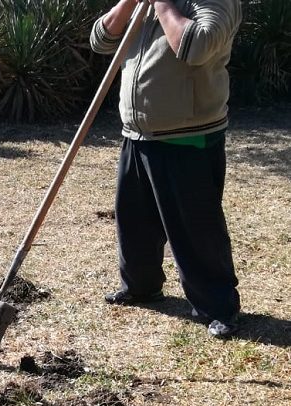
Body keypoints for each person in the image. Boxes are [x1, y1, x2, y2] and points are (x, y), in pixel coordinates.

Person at [90, 0, 242, 337]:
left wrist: (162, 3)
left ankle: (218, 306)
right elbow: (100, 40)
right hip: (138, 131)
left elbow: (197, 46)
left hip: (189, 134)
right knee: (134, 218)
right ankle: (141, 286)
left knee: (195, 225)